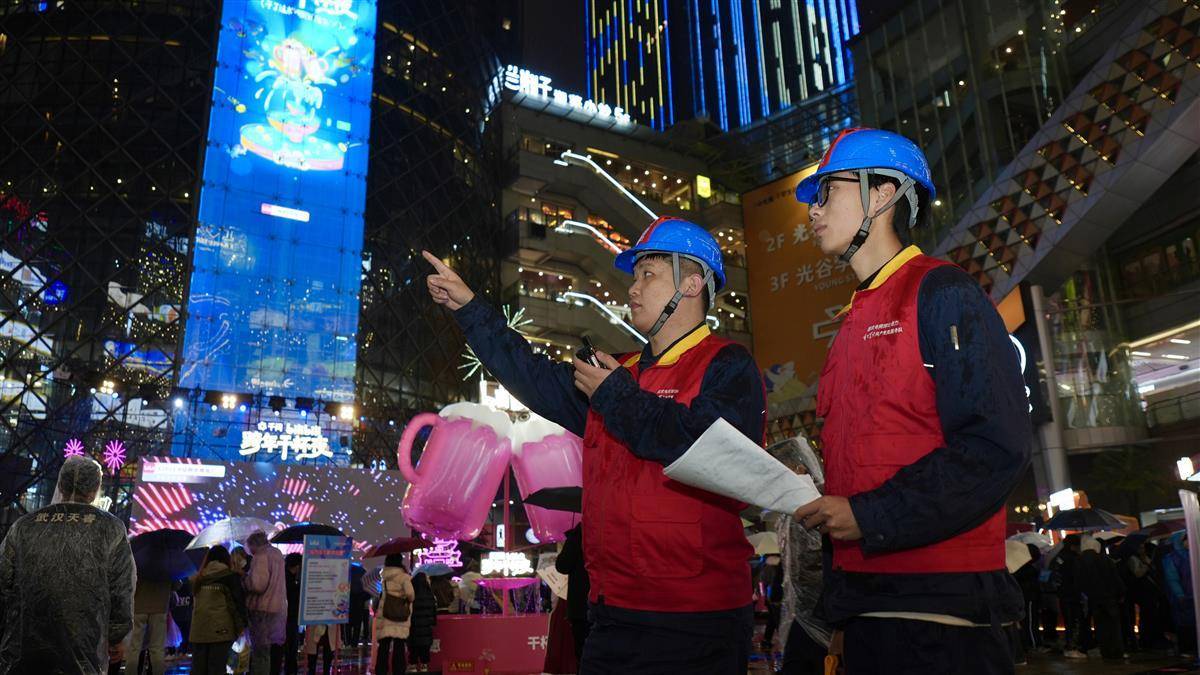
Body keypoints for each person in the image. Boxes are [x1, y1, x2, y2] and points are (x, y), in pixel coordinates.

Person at [423, 214, 765, 673]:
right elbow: (532, 375)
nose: (633, 288)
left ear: (692, 283)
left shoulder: (728, 365)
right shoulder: (615, 374)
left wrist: (617, 395)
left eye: (648, 274)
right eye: (635, 276)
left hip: (697, 617)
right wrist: (470, 309)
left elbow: (705, 448)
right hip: (611, 613)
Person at [789, 127, 1031, 674]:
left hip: (940, 622)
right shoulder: (852, 321)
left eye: (829, 191)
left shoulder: (943, 292)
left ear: (882, 195)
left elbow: (995, 447)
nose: (814, 209)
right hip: (868, 607)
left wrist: (867, 514)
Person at [0, 455, 136, 673]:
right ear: (95, 489)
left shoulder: (24, 525)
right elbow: (121, 587)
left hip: (24, 645)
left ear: (61, 486)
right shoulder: (111, 529)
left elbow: (3, 580)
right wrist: (117, 635)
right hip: (84, 645)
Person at [191, 545, 248, 675]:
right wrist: (242, 626)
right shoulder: (230, 577)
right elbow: (237, 603)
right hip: (221, 630)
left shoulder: (198, 578)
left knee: (199, 669)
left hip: (198, 630)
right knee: (217, 667)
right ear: (226, 558)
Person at [243, 530, 286, 675]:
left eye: (250, 547)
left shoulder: (261, 555)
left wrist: (245, 579)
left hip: (261, 609)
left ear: (254, 544)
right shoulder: (277, 554)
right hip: (276, 607)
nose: (250, 551)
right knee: (271, 649)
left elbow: (258, 585)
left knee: (260, 652)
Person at [1076, 534, 1125, 660]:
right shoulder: (1104, 559)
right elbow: (1115, 578)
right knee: (1113, 625)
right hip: (1109, 597)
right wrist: (1120, 593)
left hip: (1093, 598)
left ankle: (1106, 651)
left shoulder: (1080, 561)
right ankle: (1116, 651)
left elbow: (1080, 582)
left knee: (1100, 625)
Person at [554, 523, 591, 662]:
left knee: (583, 653)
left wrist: (569, 542)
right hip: (610, 604)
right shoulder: (613, 528)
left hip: (581, 604)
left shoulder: (580, 532)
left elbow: (563, 565)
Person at [373, 556, 413, 675]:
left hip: (386, 613)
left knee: (384, 646)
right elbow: (411, 595)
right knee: (399, 645)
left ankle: (381, 671)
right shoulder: (404, 577)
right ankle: (398, 671)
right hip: (400, 614)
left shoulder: (384, 577)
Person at [128, 575, 172, 675]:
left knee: (134, 648)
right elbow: (176, 584)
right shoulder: (166, 565)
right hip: (160, 606)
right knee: (157, 649)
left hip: (139, 605)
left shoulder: (140, 564)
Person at [1162, 531, 1195, 656]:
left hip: (1192, 596)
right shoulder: (1171, 558)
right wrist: (1180, 595)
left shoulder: (1192, 555)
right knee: (1184, 623)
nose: (1189, 542)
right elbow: (1172, 579)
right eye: (1186, 540)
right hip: (1183, 598)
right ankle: (1186, 649)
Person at [1053, 534, 1087, 658]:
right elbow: (1078, 577)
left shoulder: (1058, 557)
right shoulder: (1073, 559)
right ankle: (1073, 647)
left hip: (1062, 594)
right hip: (1073, 594)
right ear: (1074, 546)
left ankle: (1069, 645)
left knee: (1068, 621)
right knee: (1075, 620)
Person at [407, 572, 437, 672]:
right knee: (425, 646)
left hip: (413, 625)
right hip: (426, 626)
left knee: (413, 646)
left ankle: (413, 665)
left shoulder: (411, 594)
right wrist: (433, 622)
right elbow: (433, 611)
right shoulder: (430, 594)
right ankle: (424, 665)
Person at [284, 553, 302, 675]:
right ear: (297, 566)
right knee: (290, 647)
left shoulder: (286, 577)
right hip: (289, 618)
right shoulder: (289, 580)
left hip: (289, 617)